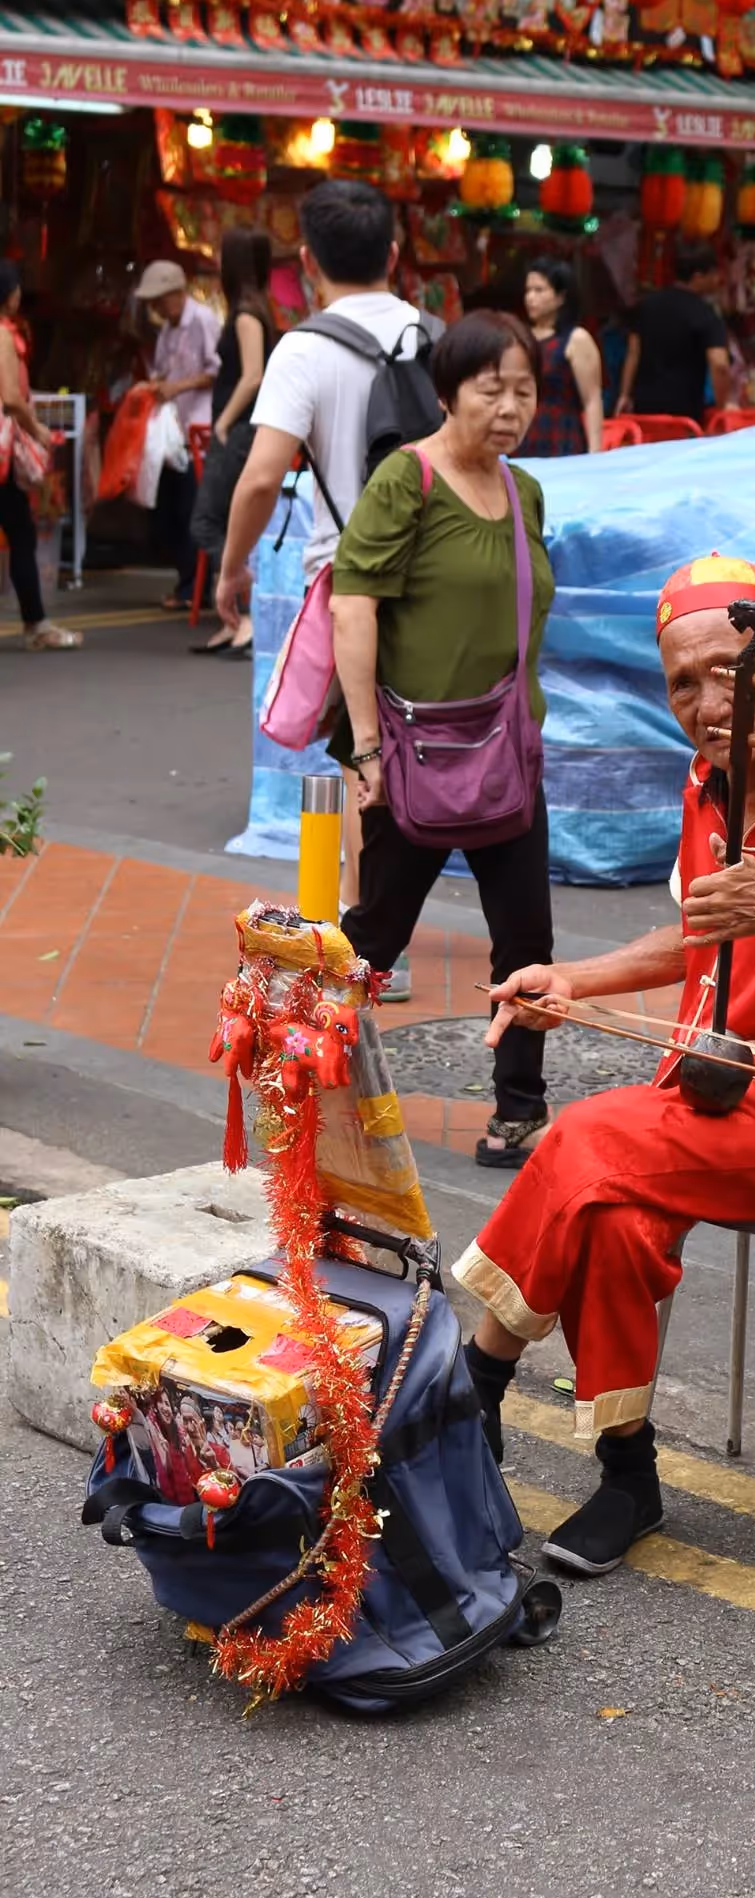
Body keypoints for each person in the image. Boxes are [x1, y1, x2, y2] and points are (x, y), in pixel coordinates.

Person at [455, 553, 755, 1577]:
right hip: (715, 1096)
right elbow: (693, 941)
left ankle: (474, 1384)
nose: (706, 701)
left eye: (729, 670)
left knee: (586, 1136)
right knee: (613, 1214)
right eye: (683, 682)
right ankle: (629, 1475)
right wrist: (572, 978)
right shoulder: (708, 786)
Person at [330, 310, 556, 1170]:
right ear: (446, 391)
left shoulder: (523, 489)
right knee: (376, 931)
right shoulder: (406, 480)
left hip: (505, 752)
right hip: (415, 755)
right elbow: (354, 606)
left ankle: (519, 1109)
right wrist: (365, 749)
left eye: (523, 390)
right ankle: (300, 1064)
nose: (508, 407)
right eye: (489, 389)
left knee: (526, 936)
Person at [216, 180, 424, 999]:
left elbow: (263, 472)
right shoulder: (429, 334)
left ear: (304, 264)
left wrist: (233, 567)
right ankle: (383, 922)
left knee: (357, 750)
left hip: (347, 576)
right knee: (414, 740)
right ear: (395, 256)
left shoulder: (302, 348)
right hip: (428, 567)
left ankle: (370, 936)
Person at [189, 227, 275, 658]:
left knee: (206, 521)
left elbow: (254, 374)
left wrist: (222, 422)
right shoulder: (256, 308)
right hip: (245, 427)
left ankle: (247, 611)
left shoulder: (245, 314)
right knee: (224, 519)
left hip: (239, 428)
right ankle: (233, 618)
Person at [0, 260, 80, 651]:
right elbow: (11, 398)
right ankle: (36, 624)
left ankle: (37, 622)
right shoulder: (2, 335)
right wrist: (39, 432)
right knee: (21, 534)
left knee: (20, 533)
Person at [136, 260, 220, 613]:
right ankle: (188, 582)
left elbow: (216, 369)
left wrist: (177, 386)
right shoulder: (167, 331)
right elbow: (162, 370)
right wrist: (155, 386)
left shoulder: (202, 319)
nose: (154, 307)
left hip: (197, 430)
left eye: (159, 299)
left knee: (189, 509)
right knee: (166, 511)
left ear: (176, 293)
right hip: (172, 432)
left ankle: (193, 587)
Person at [616, 242, 731, 428]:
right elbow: (720, 365)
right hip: (684, 417)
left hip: (644, 412)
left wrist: (624, 395)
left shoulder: (646, 305)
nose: (717, 279)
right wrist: (722, 405)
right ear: (698, 277)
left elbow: (633, 352)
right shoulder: (705, 314)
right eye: (713, 274)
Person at [520, 257, 603, 456]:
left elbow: (592, 400)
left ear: (561, 297)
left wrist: (595, 453)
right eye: (528, 291)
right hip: (522, 435)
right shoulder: (520, 337)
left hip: (561, 435)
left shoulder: (576, 339)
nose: (530, 298)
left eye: (539, 290)